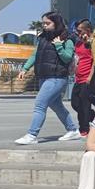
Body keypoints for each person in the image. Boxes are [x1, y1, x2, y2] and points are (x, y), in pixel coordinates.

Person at [15, 11, 80, 144]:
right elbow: (35, 55)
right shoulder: (43, 38)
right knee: (56, 106)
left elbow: (67, 58)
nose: (44, 25)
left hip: (57, 78)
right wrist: (25, 69)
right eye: (43, 23)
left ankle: (32, 135)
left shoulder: (66, 38)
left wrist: (58, 45)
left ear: (56, 23)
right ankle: (73, 130)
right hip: (43, 77)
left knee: (40, 104)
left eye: (47, 23)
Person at [70, 19, 95, 137]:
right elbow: (76, 59)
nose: (78, 34)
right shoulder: (78, 44)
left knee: (85, 105)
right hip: (78, 78)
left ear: (88, 30)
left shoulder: (92, 43)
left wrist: (90, 77)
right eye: (77, 31)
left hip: (87, 79)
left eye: (80, 31)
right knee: (75, 103)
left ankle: (84, 129)